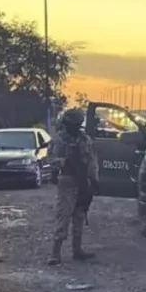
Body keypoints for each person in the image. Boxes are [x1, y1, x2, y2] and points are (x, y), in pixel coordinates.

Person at [47, 108, 99, 265]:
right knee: (63, 215)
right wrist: (64, 162)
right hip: (67, 179)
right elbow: (50, 159)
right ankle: (55, 253)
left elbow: (92, 161)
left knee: (79, 215)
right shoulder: (59, 140)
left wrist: (94, 180)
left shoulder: (85, 139)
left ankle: (77, 250)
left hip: (83, 181)